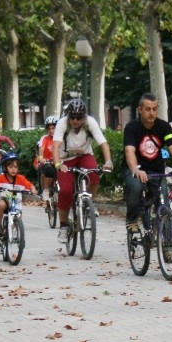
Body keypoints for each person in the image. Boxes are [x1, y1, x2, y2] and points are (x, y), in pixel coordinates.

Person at [122, 93, 172, 232]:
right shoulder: (131, 127)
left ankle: (167, 248)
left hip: (156, 171)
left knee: (163, 202)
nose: (151, 113)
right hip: (135, 169)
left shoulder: (164, 127)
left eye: (154, 109)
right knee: (136, 187)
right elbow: (129, 151)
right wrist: (136, 169)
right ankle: (132, 220)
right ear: (139, 110)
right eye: (147, 109)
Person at [51, 99, 112, 244]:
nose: (75, 121)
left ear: (83, 117)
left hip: (84, 155)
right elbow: (55, 146)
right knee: (65, 191)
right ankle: (64, 226)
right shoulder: (62, 124)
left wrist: (108, 162)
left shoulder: (90, 122)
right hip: (66, 159)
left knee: (94, 176)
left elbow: (103, 143)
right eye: (72, 117)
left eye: (78, 118)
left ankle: (88, 203)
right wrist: (58, 164)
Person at [0, 153, 35, 237]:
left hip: (16, 202)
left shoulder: (21, 178)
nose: (13, 169)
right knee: (1, 204)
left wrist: (33, 189)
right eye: (10, 167)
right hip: (5, 200)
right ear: (5, 168)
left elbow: (30, 185)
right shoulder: (1, 178)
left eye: (15, 167)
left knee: (18, 219)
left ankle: (13, 232)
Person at [34, 115, 58, 200]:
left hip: (58, 162)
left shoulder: (60, 138)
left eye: (53, 128)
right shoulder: (44, 138)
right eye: (49, 128)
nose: (51, 130)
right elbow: (41, 150)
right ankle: (46, 190)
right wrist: (41, 158)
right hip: (47, 162)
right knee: (49, 170)